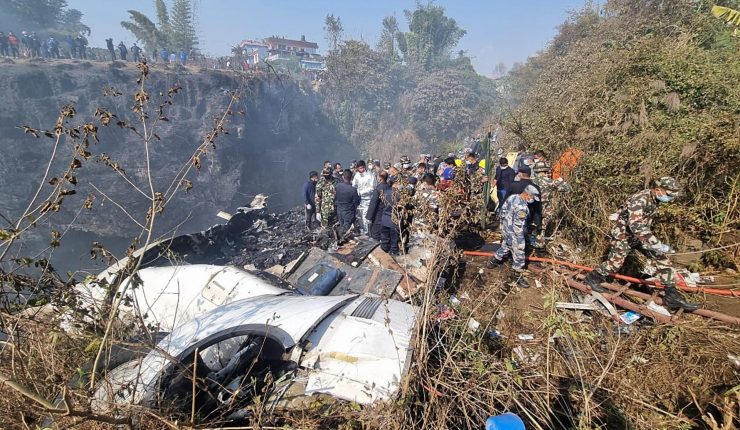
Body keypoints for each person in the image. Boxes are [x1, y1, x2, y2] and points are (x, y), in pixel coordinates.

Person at [583, 177, 698, 311]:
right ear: (658, 190)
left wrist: (654, 245)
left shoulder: (654, 199)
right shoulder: (640, 199)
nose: (670, 198)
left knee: (662, 259)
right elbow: (636, 225)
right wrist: (655, 243)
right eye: (668, 194)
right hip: (624, 235)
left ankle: (671, 295)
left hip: (640, 237)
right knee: (615, 264)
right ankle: (592, 278)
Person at [487, 184, 541, 288]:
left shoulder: (512, 197)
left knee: (505, 246)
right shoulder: (522, 208)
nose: (533, 200)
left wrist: (503, 229)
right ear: (527, 195)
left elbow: (502, 213)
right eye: (532, 197)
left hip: (506, 230)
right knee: (520, 255)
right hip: (515, 234)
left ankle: (494, 260)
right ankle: (517, 275)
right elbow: (518, 227)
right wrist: (521, 242)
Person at [351, 160, 377, 235]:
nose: (361, 170)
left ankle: (368, 233)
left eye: (362, 168)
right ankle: (363, 232)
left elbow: (372, 188)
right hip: (359, 200)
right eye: (359, 168)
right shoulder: (357, 175)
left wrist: (361, 192)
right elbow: (354, 185)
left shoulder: (370, 175)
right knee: (360, 216)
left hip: (368, 199)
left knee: (367, 217)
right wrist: (356, 193)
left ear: (364, 167)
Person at [366, 171, 389, 241]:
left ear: (380, 178)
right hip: (387, 214)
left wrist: (369, 217)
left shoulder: (378, 189)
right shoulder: (389, 187)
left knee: (375, 234)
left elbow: (373, 203)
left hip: (378, 214)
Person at [336, 170, 361, 235]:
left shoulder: (338, 186)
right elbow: (357, 202)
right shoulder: (353, 189)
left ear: (343, 177)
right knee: (347, 232)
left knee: (342, 228)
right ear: (351, 178)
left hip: (339, 211)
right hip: (348, 212)